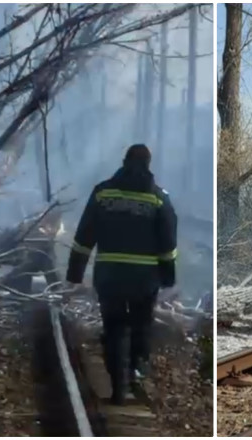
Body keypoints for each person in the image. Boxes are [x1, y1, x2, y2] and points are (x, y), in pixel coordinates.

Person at [65, 144, 177, 405]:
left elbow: (84, 236)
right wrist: (168, 277)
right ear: (148, 165)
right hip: (144, 279)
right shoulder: (158, 198)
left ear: (124, 161)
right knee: (141, 327)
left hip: (110, 276)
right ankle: (135, 372)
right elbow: (168, 243)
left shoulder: (103, 193)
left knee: (113, 327)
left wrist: (75, 273)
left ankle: (117, 387)